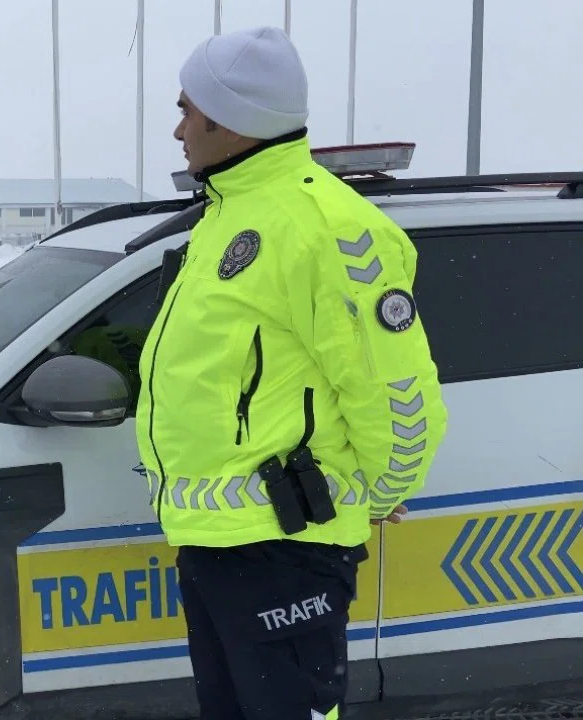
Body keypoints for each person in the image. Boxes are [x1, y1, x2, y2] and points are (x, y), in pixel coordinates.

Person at [135, 26, 448, 719]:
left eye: (187, 110)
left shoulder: (326, 228)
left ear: (230, 118)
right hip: (215, 543)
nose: (178, 130)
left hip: (285, 546)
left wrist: (377, 493)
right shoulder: (226, 217)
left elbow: (395, 390)